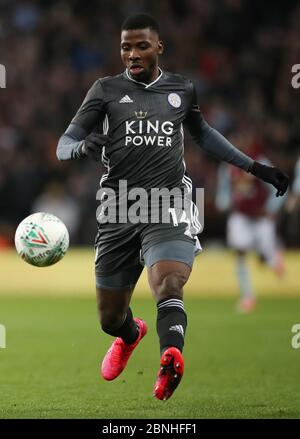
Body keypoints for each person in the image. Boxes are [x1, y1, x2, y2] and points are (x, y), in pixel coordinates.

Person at [56, 14, 289, 400]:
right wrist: (81, 147)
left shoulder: (182, 89)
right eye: (125, 47)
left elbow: (205, 136)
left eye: (141, 45)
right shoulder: (105, 90)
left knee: (168, 282)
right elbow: (63, 144)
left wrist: (255, 167)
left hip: (169, 203)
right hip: (119, 208)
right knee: (110, 318)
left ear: (159, 47)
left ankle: (170, 356)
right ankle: (131, 335)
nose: (132, 54)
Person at [215, 135, 286, 313]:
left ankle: (273, 258)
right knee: (240, 253)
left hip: (261, 218)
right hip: (240, 216)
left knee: (263, 259)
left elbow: (277, 185)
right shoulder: (228, 168)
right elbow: (223, 192)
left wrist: (271, 208)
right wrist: (223, 202)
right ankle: (248, 296)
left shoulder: (260, 162)